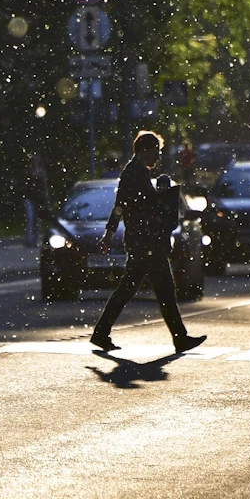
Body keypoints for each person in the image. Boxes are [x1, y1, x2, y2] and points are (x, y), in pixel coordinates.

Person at [90, 130, 206, 354]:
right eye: (156, 152)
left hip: (147, 242)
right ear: (145, 150)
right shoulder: (132, 173)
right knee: (141, 289)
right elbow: (120, 206)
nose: (158, 157)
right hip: (143, 243)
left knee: (158, 290)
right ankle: (102, 333)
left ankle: (102, 333)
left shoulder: (139, 173)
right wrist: (108, 234)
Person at [24, 154, 50, 246]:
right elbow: (25, 186)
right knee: (30, 219)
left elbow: (44, 188)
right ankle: (29, 240)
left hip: (38, 199)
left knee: (37, 220)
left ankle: (36, 239)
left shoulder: (42, 173)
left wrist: (46, 200)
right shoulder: (29, 172)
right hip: (30, 198)